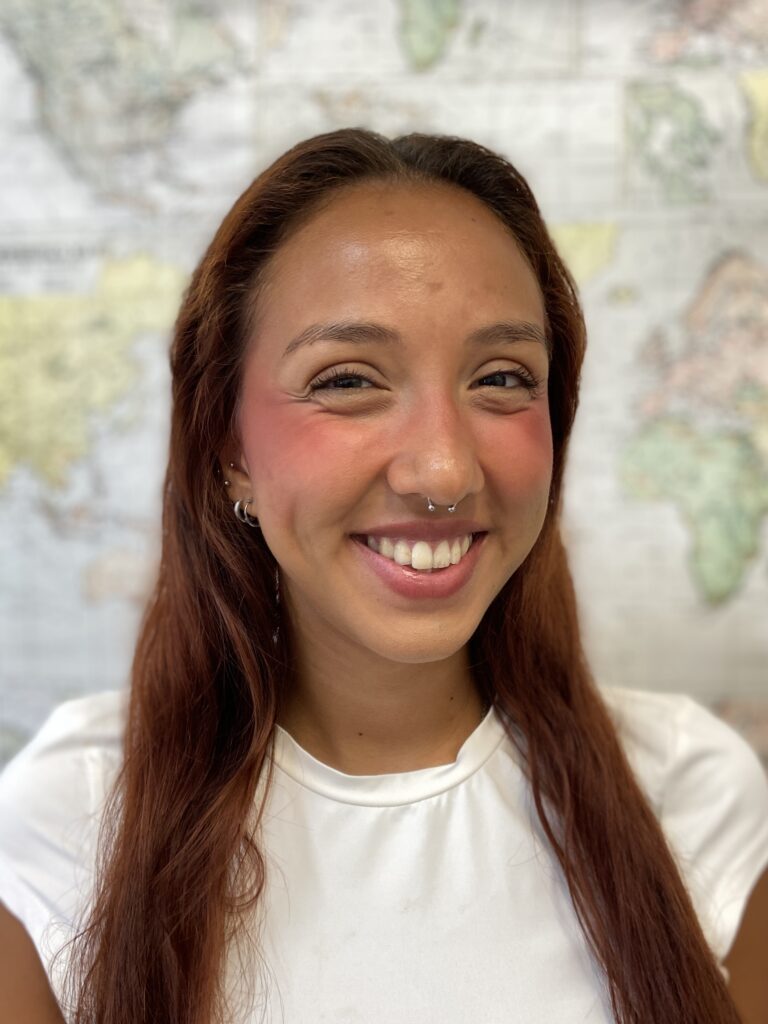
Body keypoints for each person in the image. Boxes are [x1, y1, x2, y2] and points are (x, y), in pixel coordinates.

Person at [0, 128, 767, 1024]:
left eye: (501, 378)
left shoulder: (688, 793)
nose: (443, 470)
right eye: (348, 380)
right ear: (229, 448)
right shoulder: (74, 816)